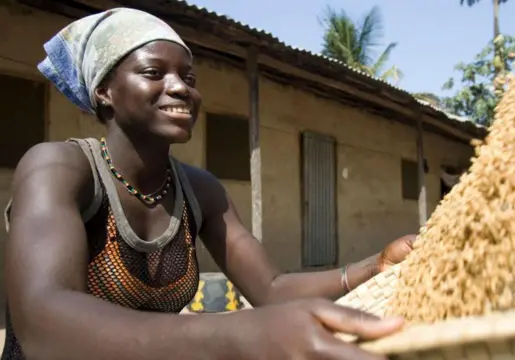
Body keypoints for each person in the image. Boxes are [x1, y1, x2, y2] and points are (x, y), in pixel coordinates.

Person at [2, 8, 416, 360]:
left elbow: (271, 289)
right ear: (105, 91)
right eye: (153, 72)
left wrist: (372, 267)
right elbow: (43, 318)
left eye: (189, 77)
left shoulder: (200, 191)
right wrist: (237, 334)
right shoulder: (60, 168)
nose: (180, 87)